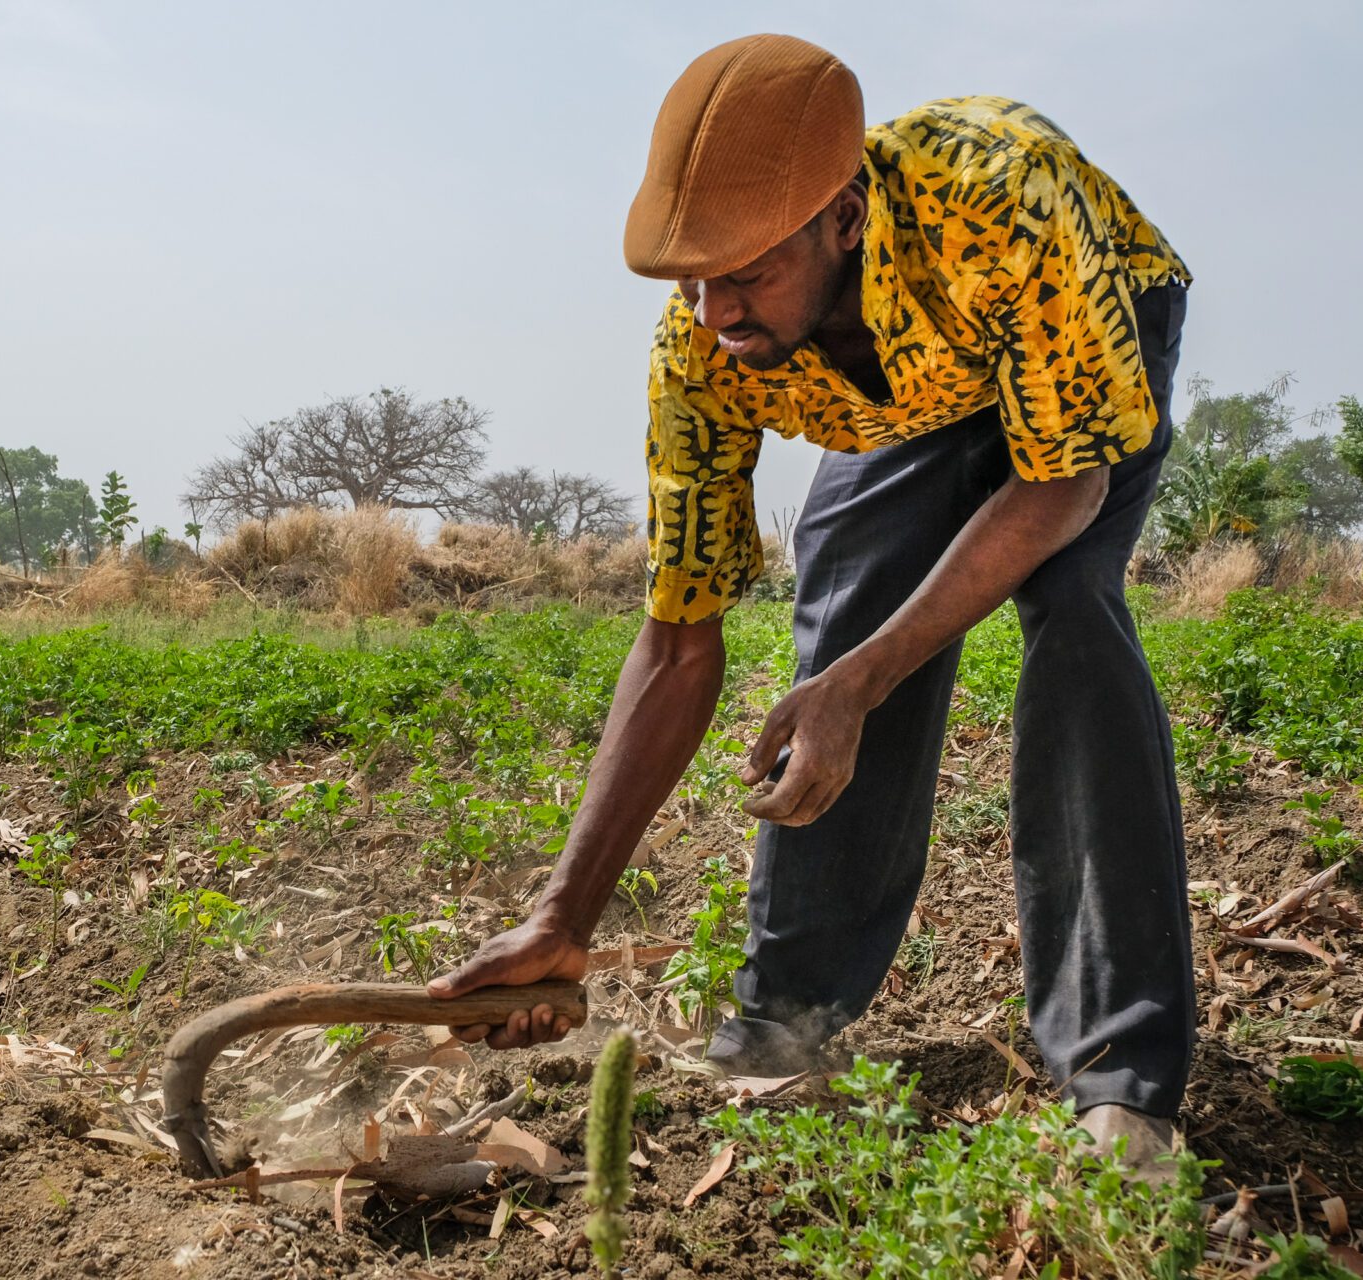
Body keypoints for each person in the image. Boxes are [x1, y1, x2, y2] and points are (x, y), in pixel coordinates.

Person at [428, 34, 1195, 1183]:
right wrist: (563, 916)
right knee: (842, 605)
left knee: (1074, 607)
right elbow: (681, 638)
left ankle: (1119, 1081)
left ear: (843, 217)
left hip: (1086, 319)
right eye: (689, 277)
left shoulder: (1004, 193)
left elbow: (1059, 485)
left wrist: (867, 682)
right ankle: (784, 1016)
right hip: (911, 393)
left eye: (742, 272)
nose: (712, 310)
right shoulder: (702, 350)